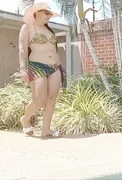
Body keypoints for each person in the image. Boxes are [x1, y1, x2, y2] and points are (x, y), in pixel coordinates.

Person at [18, 2, 65, 137]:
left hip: (54, 67)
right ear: (36, 12)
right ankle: (25, 119)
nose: (49, 16)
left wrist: (61, 67)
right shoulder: (27, 28)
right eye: (46, 13)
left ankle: (46, 129)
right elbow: (22, 49)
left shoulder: (48, 30)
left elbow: (54, 50)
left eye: (50, 14)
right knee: (39, 100)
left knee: (51, 98)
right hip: (37, 66)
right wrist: (22, 69)